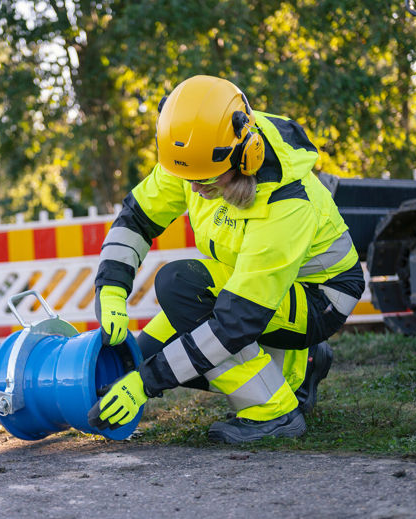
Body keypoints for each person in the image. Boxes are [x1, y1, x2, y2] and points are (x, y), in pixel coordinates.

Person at [87, 75, 365, 443]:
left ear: (245, 155)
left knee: (181, 290)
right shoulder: (198, 153)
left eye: (206, 179)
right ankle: (302, 365)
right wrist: (110, 289)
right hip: (259, 284)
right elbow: (136, 218)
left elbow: (234, 322)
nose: (196, 190)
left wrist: (147, 384)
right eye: (189, 179)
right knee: (141, 354)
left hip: (319, 297)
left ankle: (274, 411)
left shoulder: (285, 203)